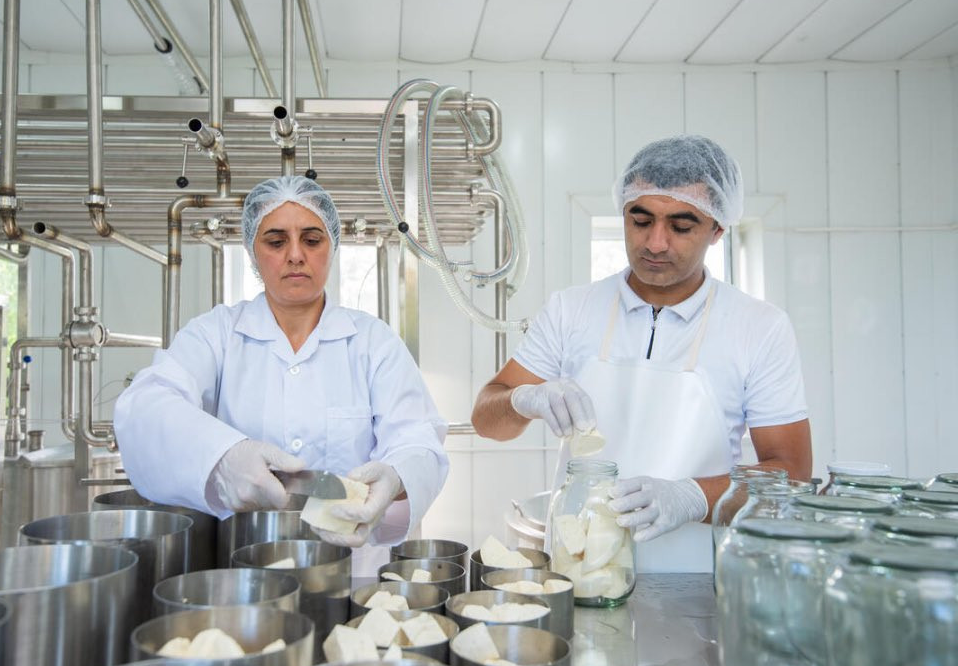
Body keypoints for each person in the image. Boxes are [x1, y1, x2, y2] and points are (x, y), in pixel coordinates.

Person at [471, 134, 811, 570]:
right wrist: (523, 400)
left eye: (681, 227)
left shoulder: (759, 327)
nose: (655, 243)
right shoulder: (571, 310)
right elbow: (487, 422)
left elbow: (792, 473)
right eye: (640, 220)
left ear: (718, 230)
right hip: (580, 575)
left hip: (697, 579)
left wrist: (692, 496)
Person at [114, 176, 448, 564]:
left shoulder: (374, 342)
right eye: (275, 242)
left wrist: (396, 478)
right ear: (252, 252)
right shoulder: (215, 334)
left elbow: (417, 438)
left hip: (353, 572)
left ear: (332, 246)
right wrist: (223, 457)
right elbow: (145, 406)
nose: (295, 255)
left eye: (312, 240)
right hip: (242, 574)